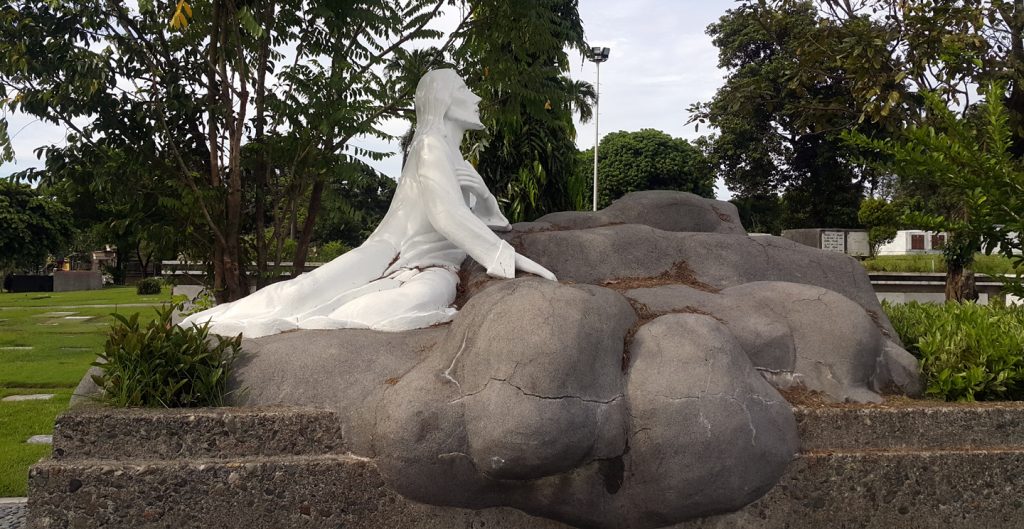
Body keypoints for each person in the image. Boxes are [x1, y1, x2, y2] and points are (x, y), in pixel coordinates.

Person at [180, 69, 556, 338]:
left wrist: (484, 196)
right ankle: (204, 325)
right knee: (302, 291)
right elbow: (448, 216)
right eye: (464, 89)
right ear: (442, 100)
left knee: (416, 301)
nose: (476, 98)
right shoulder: (430, 146)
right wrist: (506, 257)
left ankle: (325, 328)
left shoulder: (456, 158)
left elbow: (489, 223)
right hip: (388, 254)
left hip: (437, 266)